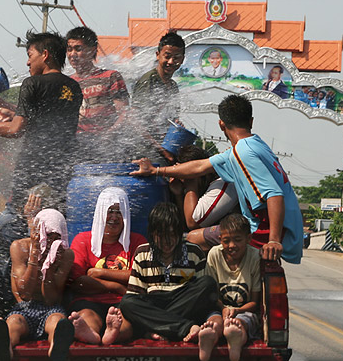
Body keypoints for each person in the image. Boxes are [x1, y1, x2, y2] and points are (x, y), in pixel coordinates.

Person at [130, 94, 304, 265]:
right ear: (251, 121)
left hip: (264, 231)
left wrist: (273, 240)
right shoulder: (251, 145)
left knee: (194, 238)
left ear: (221, 124)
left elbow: (274, 194)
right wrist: (156, 170)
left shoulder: (243, 152)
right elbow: (199, 166)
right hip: (283, 228)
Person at [0, 31, 83, 212]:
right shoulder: (73, 86)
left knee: (12, 225)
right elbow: (44, 115)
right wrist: (2, 104)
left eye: (30, 55)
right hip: (63, 170)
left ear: (45, 55)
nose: (28, 62)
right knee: (53, 221)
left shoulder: (32, 83)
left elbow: (16, 130)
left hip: (32, 169)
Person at [105, 202, 221, 361]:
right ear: (152, 234)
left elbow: (201, 296)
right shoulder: (142, 253)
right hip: (153, 304)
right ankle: (183, 328)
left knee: (207, 284)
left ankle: (158, 328)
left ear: (179, 233)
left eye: (172, 235)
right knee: (127, 302)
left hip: (183, 304)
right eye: (161, 235)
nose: (167, 241)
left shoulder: (194, 252)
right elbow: (135, 297)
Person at [0, 208, 75, 361]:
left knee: (57, 322)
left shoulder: (66, 254)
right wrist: (35, 253)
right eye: (48, 236)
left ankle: (56, 349)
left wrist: (49, 269)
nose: (51, 243)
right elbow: (25, 293)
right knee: (14, 323)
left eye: (57, 238)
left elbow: (51, 299)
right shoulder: (20, 247)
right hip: (24, 307)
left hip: (50, 309)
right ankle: (4, 349)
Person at [66, 187, 148, 345]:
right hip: (89, 301)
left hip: (124, 304)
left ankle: (113, 334)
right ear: (100, 213)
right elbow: (78, 282)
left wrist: (99, 273)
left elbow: (140, 275)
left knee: (126, 325)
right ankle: (91, 333)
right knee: (87, 316)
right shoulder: (83, 240)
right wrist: (116, 287)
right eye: (110, 211)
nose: (114, 217)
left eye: (119, 212)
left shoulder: (137, 241)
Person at [0, 184, 59, 317]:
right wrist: (31, 220)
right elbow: (33, 248)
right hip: (8, 290)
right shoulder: (10, 222)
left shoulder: (19, 217)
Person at [199, 213, 263, 361]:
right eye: (226, 241)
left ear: (248, 239)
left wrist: (237, 311)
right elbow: (211, 294)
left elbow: (254, 302)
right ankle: (211, 335)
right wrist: (223, 309)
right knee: (214, 321)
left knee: (241, 322)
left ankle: (236, 338)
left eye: (238, 240)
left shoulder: (254, 257)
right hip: (219, 308)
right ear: (220, 239)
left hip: (244, 310)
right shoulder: (214, 254)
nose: (232, 246)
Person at [66, 26, 130, 162]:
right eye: (69, 49)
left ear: (92, 50)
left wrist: (109, 135)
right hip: (78, 147)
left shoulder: (110, 77)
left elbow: (125, 112)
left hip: (107, 147)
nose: (72, 54)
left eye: (78, 49)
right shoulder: (67, 83)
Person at [168, 144, 239, 252]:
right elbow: (183, 226)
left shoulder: (223, 181)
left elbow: (193, 223)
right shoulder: (198, 184)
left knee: (192, 239)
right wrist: (178, 195)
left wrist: (190, 181)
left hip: (238, 237)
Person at [129, 30, 186, 163]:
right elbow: (135, 121)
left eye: (176, 57)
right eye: (167, 56)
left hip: (164, 149)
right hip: (145, 152)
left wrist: (176, 126)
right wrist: (161, 149)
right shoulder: (149, 81)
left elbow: (171, 118)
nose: (171, 62)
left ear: (182, 59)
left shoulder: (173, 86)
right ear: (157, 55)